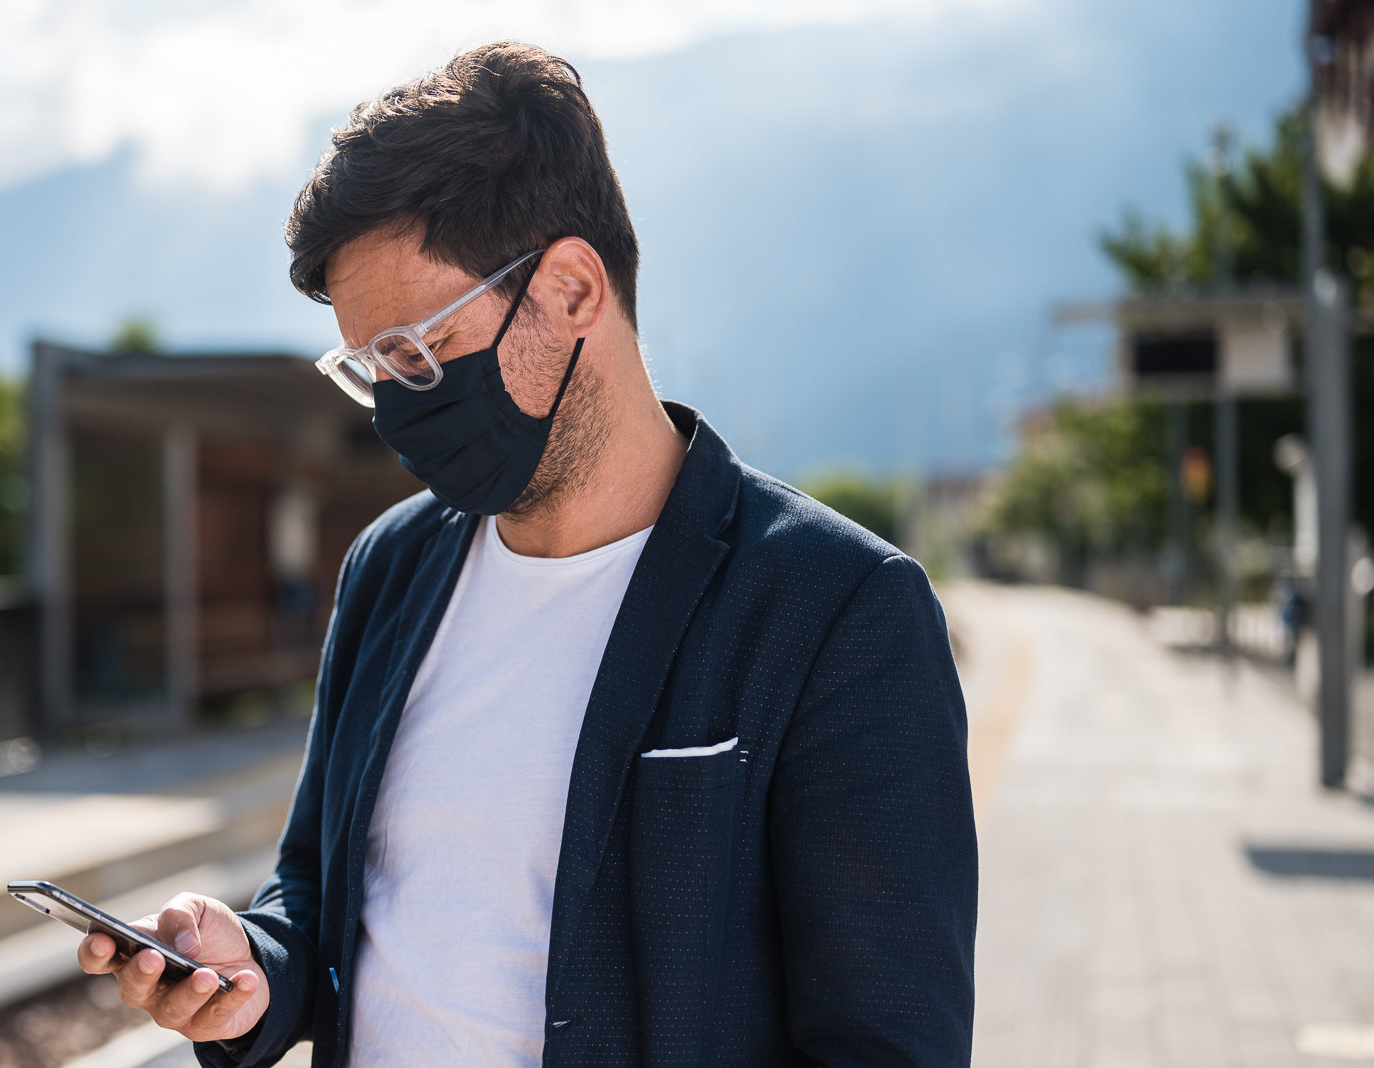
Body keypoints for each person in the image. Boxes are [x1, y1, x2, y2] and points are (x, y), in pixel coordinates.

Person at [79, 41, 978, 1067]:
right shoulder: (390, 571)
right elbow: (320, 895)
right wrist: (254, 973)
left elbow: (887, 1043)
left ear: (571, 288)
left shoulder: (837, 610)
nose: (396, 407)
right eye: (369, 368)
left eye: (419, 350)